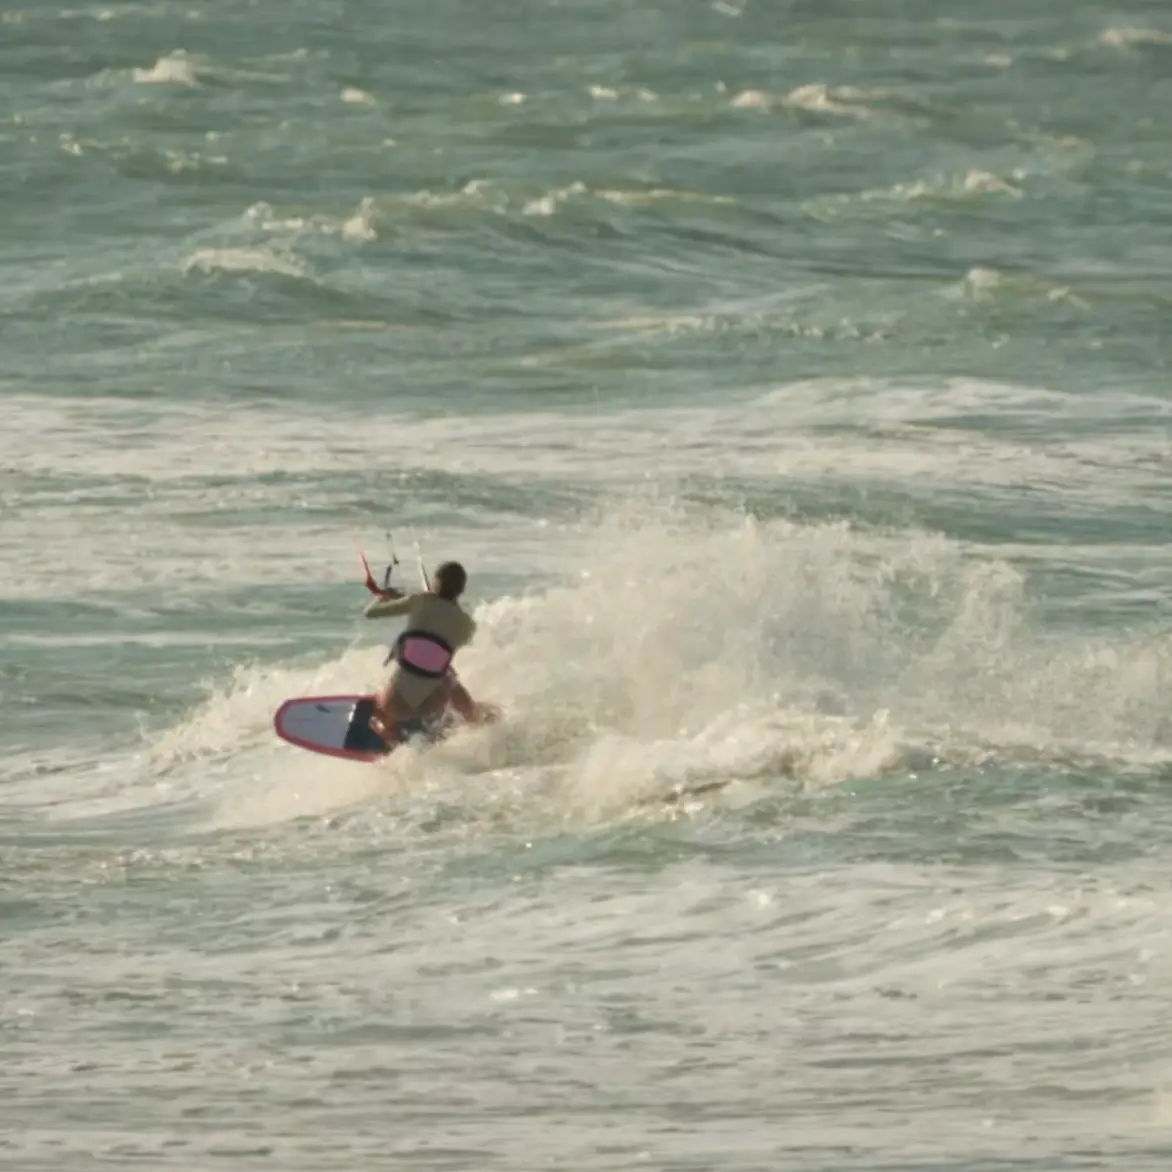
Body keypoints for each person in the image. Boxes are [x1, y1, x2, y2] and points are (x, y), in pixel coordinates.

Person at [363, 560, 494, 745]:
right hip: (433, 707)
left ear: (435, 582)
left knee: (378, 715)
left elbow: (370, 613)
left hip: (396, 705)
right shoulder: (466, 625)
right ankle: (475, 717)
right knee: (447, 672)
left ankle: (392, 738)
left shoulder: (418, 601)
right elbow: (440, 623)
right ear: (461, 590)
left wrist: (384, 596)